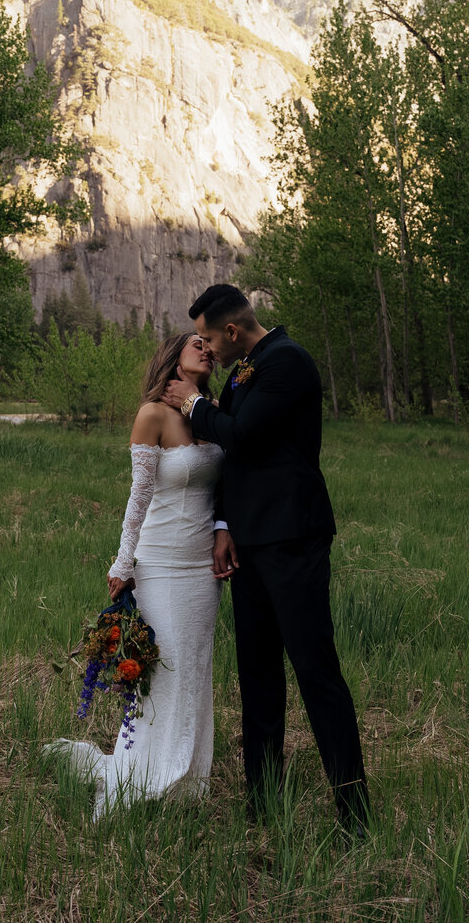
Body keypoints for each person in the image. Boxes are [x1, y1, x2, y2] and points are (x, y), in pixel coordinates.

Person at [162, 284, 371, 834]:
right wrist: (225, 525)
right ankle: (264, 803)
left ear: (231, 331)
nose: (206, 348)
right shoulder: (244, 370)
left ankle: (353, 812)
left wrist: (192, 404)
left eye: (208, 336)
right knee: (257, 676)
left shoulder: (288, 363)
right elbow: (231, 459)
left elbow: (244, 437)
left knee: (315, 671)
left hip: (293, 541)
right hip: (249, 545)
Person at [45, 333, 224, 818]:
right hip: (160, 564)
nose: (206, 348)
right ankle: (136, 777)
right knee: (161, 673)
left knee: (193, 670)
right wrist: (124, 562)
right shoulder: (152, 414)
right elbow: (138, 497)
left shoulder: (212, 414)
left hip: (201, 569)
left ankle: (186, 779)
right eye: (196, 342)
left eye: (211, 344)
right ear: (173, 355)